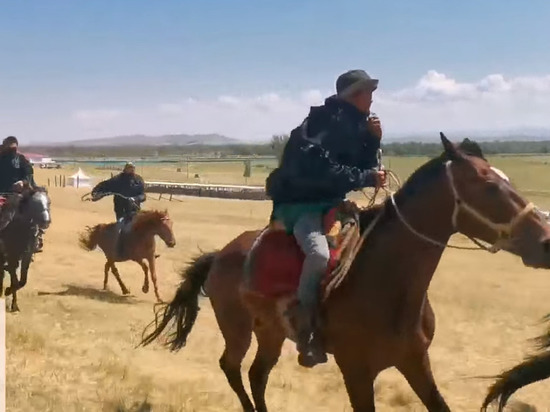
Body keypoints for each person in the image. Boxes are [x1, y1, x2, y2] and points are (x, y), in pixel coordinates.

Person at [265, 69, 386, 367]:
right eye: (368, 91)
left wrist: (372, 141)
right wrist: (367, 176)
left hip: (331, 202)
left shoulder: (355, 125)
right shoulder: (320, 124)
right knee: (319, 255)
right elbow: (321, 171)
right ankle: (306, 329)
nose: (372, 97)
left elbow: (358, 167)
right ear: (354, 95)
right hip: (301, 204)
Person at [91, 162, 146, 258]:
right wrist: (96, 193)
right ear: (125, 169)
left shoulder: (138, 180)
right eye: (129, 168)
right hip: (121, 210)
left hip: (134, 210)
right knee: (121, 228)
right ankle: (117, 250)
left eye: (133, 168)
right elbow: (104, 186)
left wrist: (136, 199)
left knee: (144, 229)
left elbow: (143, 195)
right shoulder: (117, 180)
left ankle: (148, 251)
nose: (131, 169)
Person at [0, 136, 44, 251]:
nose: (11, 149)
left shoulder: (21, 159)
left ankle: (37, 235)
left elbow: (28, 174)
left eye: (13, 147)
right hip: (1, 194)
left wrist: (23, 182)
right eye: (9, 147)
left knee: (39, 203)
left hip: (19, 193)